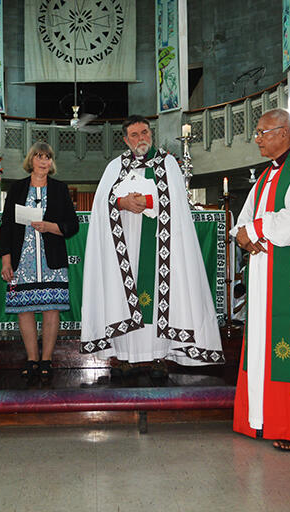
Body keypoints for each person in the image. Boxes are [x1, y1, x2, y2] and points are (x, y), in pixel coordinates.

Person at [81, 115, 223, 380]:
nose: (140, 139)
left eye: (144, 132)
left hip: (161, 245)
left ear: (151, 134)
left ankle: (160, 357)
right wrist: (121, 204)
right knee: (123, 296)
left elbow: (177, 201)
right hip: (125, 248)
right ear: (125, 140)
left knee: (160, 297)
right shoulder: (115, 166)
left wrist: (147, 200)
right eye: (133, 135)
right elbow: (100, 205)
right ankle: (123, 357)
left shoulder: (168, 163)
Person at [230, 108, 290, 451]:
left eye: (262, 132)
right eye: (257, 132)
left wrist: (252, 230)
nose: (257, 138)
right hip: (262, 271)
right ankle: (260, 418)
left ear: (285, 133)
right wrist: (243, 235)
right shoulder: (264, 176)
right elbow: (242, 220)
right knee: (260, 343)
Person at [0, 142, 79, 381]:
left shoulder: (60, 189)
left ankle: (47, 360)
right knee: (25, 310)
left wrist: (51, 227)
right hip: (22, 260)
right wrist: (6, 261)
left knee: (51, 308)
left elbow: (72, 225)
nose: (44, 161)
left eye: (47, 157)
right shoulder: (17, 189)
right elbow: (6, 226)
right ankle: (32, 359)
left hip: (51, 259)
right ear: (30, 160)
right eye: (39, 156)